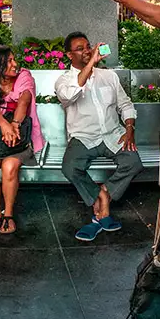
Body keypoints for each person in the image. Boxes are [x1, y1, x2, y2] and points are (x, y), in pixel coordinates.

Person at [55, 32, 143, 242]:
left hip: (113, 134)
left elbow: (125, 105)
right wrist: (90, 64)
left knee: (134, 162)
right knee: (69, 167)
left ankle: (103, 196)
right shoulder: (64, 81)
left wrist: (129, 128)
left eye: (88, 46)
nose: (86, 51)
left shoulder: (109, 76)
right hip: (84, 137)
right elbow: (70, 95)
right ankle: (101, 199)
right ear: (69, 55)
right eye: (80, 48)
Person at [0, 46, 44, 235]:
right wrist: (4, 125)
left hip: (20, 138)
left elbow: (24, 99)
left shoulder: (24, 77)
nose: (15, 64)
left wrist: (14, 124)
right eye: (9, 61)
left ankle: (9, 214)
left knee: (8, 167)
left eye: (14, 60)